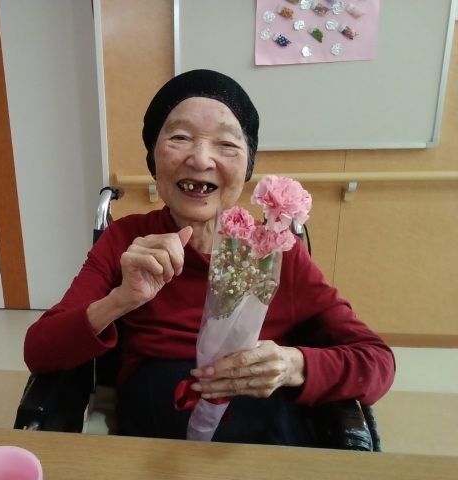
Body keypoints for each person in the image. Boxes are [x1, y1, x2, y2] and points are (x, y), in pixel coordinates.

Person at [24, 69, 395, 445]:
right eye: (180, 137)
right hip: (154, 436)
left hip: (261, 437)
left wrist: (291, 366)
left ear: (247, 165)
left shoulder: (275, 251)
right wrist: (120, 300)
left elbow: (376, 362)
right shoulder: (126, 240)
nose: (201, 159)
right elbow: (39, 350)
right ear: (153, 156)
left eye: (227, 143)